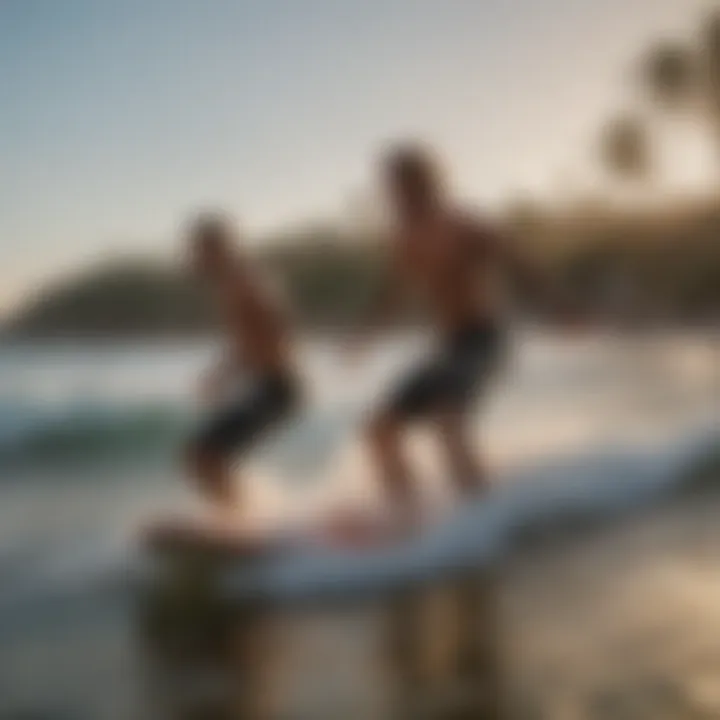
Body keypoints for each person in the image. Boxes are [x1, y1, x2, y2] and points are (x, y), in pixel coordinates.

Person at [347, 143, 555, 530]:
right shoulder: (404, 237)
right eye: (390, 186)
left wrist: (558, 308)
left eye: (400, 185)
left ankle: (481, 519)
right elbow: (393, 291)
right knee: (378, 429)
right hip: (448, 347)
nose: (393, 194)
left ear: (425, 183)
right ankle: (407, 514)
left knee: (446, 416)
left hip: (486, 340)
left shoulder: (463, 224)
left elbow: (518, 260)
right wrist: (364, 337)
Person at [184, 212, 300, 515]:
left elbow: (277, 326)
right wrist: (221, 374)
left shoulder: (245, 281)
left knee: (204, 455)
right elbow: (247, 341)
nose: (195, 258)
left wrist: (237, 367)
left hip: (278, 388)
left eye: (200, 250)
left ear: (219, 249)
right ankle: (244, 514)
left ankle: (240, 519)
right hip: (268, 386)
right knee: (205, 456)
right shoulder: (234, 282)